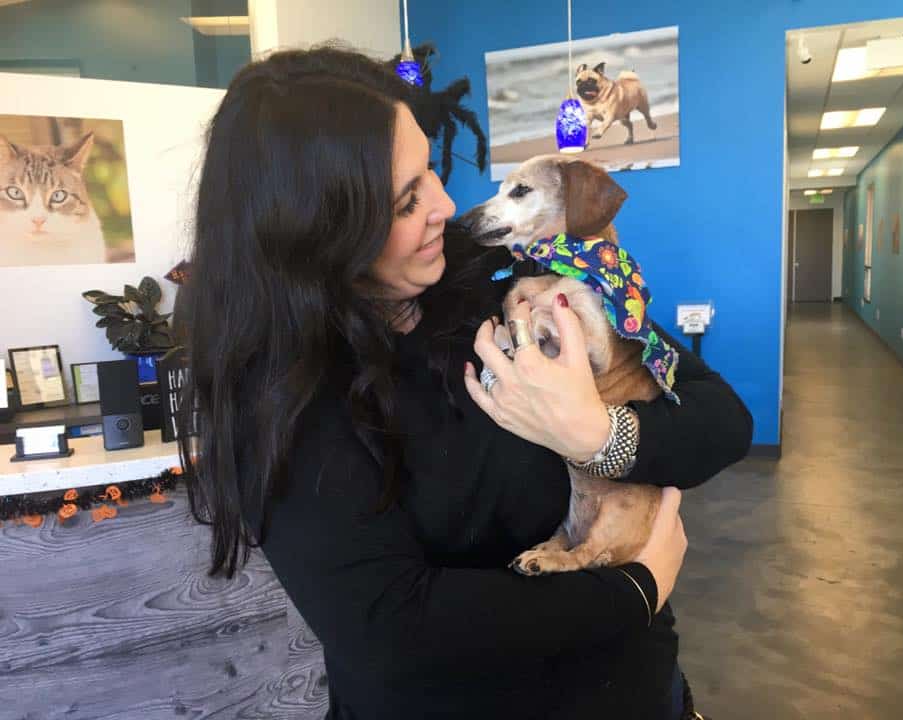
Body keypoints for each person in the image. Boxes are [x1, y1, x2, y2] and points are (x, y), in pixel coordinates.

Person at [177, 44, 753, 720]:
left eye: (430, 172)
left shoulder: (499, 277)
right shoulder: (283, 396)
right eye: (404, 200)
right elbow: (394, 630)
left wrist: (602, 435)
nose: (447, 205)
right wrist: (635, 588)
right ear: (317, 229)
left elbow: (721, 418)